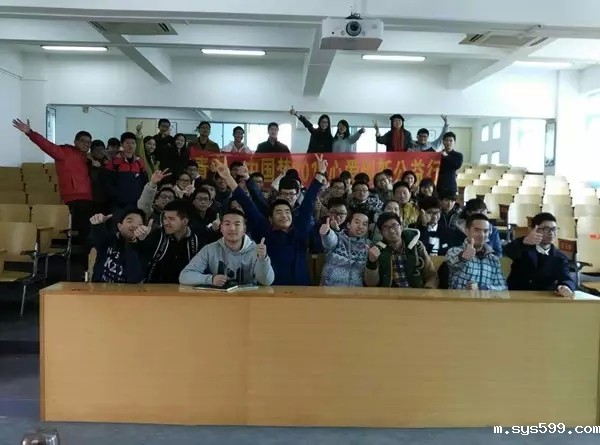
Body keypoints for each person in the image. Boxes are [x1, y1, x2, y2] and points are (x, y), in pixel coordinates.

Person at [217, 154, 326, 285]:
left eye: (287, 212)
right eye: (279, 212)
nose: (284, 215)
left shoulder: (300, 228)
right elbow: (247, 203)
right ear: (270, 218)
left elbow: (308, 201)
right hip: (270, 287)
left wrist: (320, 173)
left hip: (301, 288)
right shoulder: (265, 231)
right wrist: (228, 178)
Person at [12, 118, 94, 245]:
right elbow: (47, 146)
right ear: (75, 141)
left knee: (86, 232)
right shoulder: (65, 152)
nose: (86, 144)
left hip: (88, 199)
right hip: (74, 199)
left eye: (89, 142)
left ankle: (84, 255)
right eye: (83, 141)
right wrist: (30, 133)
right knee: (78, 233)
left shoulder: (88, 158)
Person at [179, 209, 274, 287]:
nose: (232, 228)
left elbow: (266, 282)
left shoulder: (256, 250)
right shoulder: (210, 249)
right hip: (219, 299)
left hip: (249, 299)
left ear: (244, 229)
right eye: (227, 224)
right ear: (221, 228)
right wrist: (210, 279)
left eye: (237, 224)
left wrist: (262, 259)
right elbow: (184, 276)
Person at [503, 213, 575, 297]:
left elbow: (566, 278)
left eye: (554, 229)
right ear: (534, 230)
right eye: (546, 229)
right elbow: (507, 251)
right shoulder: (523, 247)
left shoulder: (560, 257)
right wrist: (524, 241)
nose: (551, 233)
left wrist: (566, 286)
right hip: (517, 295)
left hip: (544, 297)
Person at [364, 212, 438, 288]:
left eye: (394, 226)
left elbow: (431, 275)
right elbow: (371, 284)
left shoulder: (417, 245)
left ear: (401, 227)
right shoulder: (378, 250)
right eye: (386, 228)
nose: (392, 231)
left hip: (416, 292)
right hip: (389, 293)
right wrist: (372, 262)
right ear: (380, 233)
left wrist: (428, 290)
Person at [136, 200, 202, 283]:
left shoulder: (196, 239)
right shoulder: (156, 235)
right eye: (165, 218)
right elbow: (140, 258)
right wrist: (142, 240)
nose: (166, 223)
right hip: (153, 287)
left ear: (185, 221)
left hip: (184, 287)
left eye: (171, 219)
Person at [446, 214, 507, 291]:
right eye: (477, 230)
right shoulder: (454, 251)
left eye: (485, 231)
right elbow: (453, 261)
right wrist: (463, 256)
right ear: (467, 231)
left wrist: (483, 288)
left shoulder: (493, 260)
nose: (482, 235)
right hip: (458, 298)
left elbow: (503, 288)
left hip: (485, 298)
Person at [89, 210, 148, 283]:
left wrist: (133, 244)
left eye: (140, 224)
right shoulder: (109, 240)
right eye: (130, 221)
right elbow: (98, 240)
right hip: (99, 288)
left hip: (125, 290)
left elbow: (133, 279)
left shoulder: (143, 249)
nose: (134, 226)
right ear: (120, 226)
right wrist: (97, 225)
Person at [319, 212, 371, 287]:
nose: (360, 226)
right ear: (348, 225)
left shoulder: (368, 245)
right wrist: (327, 233)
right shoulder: (338, 238)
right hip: (330, 287)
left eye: (364, 224)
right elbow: (330, 241)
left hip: (355, 290)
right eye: (357, 222)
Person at [104, 132, 148, 213]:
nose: (130, 146)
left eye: (133, 143)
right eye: (127, 143)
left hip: (136, 204)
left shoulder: (140, 162)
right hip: (118, 205)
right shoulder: (113, 162)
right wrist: (116, 197)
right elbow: (107, 184)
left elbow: (145, 182)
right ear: (122, 144)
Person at [437, 131, 463, 196]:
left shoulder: (458, 155)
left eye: (451, 140)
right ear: (443, 142)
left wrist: (446, 156)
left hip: (451, 186)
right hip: (438, 185)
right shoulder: (438, 155)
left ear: (454, 142)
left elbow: (457, 165)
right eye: (446, 140)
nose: (448, 142)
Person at [88, 140, 110, 215]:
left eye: (102, 149)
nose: (100, 152)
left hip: (108, 200)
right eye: (97, 150)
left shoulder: (108, 163)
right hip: (94, 200)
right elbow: (95, 179)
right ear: (92, 152)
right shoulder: (89, 164)